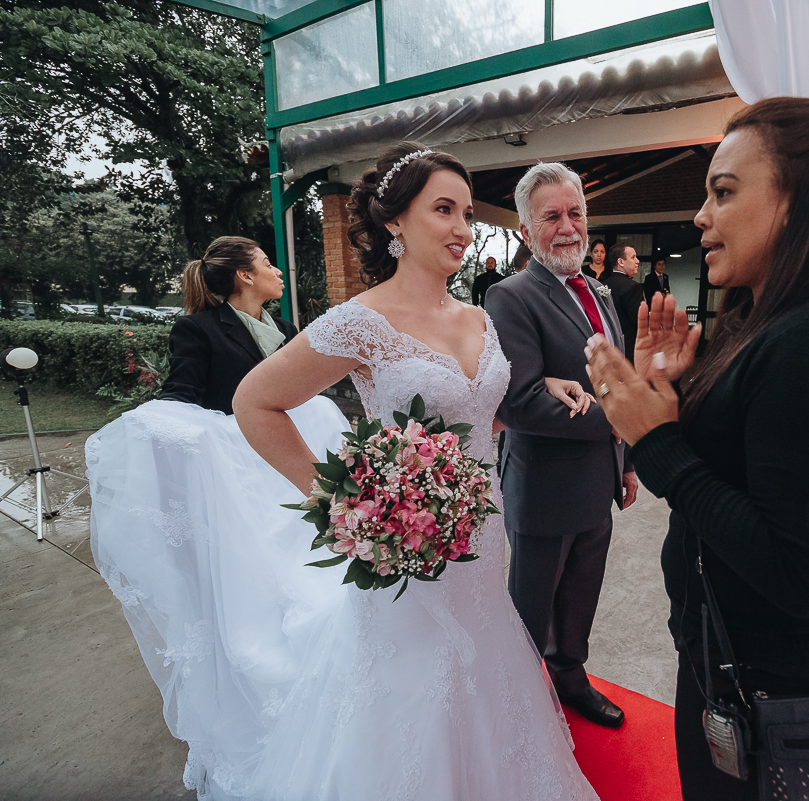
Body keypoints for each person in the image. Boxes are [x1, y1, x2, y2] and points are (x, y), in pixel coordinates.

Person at [90, 142, 600, 800]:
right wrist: (345, 505)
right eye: (443, 209)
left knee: (483, 668)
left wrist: (546, 383)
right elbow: (254, 402)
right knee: (412, 690)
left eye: (468, 213)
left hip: (481, 537)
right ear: (396, 221)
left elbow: (481, 412)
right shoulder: (362, 321)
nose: (461, 228)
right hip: (405, 551)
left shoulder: (479, 317)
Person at [583, 97, 809, 800]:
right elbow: (737, 468)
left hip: (779, 701)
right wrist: (674, 390)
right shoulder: (763, 324)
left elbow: (797, 573)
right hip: (726, 673)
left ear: (797, 203)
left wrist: (656, 440)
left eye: (723, 193)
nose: (701, 217)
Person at [484, 162, 638, 730]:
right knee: (530, 610)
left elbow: (617, 381)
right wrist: (619, 420)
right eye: (552, 217)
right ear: (526, 231)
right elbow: (520, 402)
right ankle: (520, 706)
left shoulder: (599, 291)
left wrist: (626, 463)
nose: (568, 227)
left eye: (575, 214)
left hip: (598, 481)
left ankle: (571, 678)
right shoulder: (510, 296)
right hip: (544, 491)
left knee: (580, 600)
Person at [159, 236, 296, 415]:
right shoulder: (197, 329)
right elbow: (180, 394)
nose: (278, 272)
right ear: (245, 275)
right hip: (229, 430)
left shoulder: (286, 330)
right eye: (268, 265)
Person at [602, 243, 643, 361]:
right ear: (621, 262)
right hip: (629, 349)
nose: (637, 261)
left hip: (608, 347)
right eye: (633, 257)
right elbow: (639, 322)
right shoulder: (633, 287)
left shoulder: (602, 285)